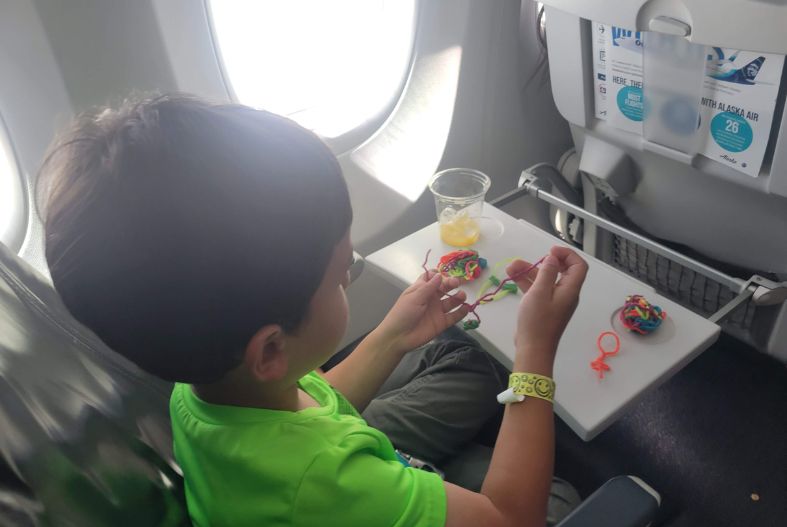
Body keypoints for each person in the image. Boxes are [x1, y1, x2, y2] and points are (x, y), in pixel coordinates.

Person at [41, 94, 588, 526]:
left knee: (461, 360)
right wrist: (534, 354)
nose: (352, 272)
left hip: (326, 476)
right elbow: (512, 521)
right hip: (343, 491)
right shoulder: (323, 480)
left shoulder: (199, 390)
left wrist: (392, 334)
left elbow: (315, 406)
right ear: (271, 349)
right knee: (557, 500)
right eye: (343, 272)